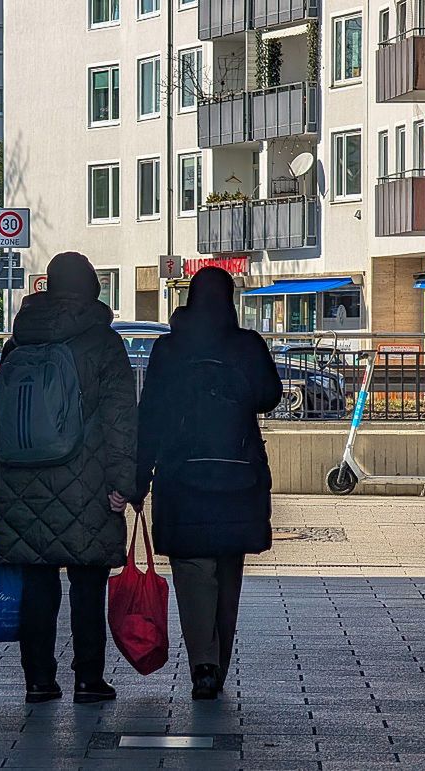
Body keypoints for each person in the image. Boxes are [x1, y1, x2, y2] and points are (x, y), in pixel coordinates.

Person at [0, 251, 137, 705]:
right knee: (87, 585)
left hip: (22, 480)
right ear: (92, 288)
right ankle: (88, 679)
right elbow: (121, 420)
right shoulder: (102, 343)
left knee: (36, 584)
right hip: (87, 483)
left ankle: (38, 680)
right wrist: (124, 483)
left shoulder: (18, 343)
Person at [131, 266, 283, 700]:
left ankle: (204, 664)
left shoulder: (169, 349)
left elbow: (152, 416)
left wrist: (139, 479)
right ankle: (220, 662)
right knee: (228, 571)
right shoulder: (246, 345)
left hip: (182, 480)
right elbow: (270, 396)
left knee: (194, 569)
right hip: (238, 476)